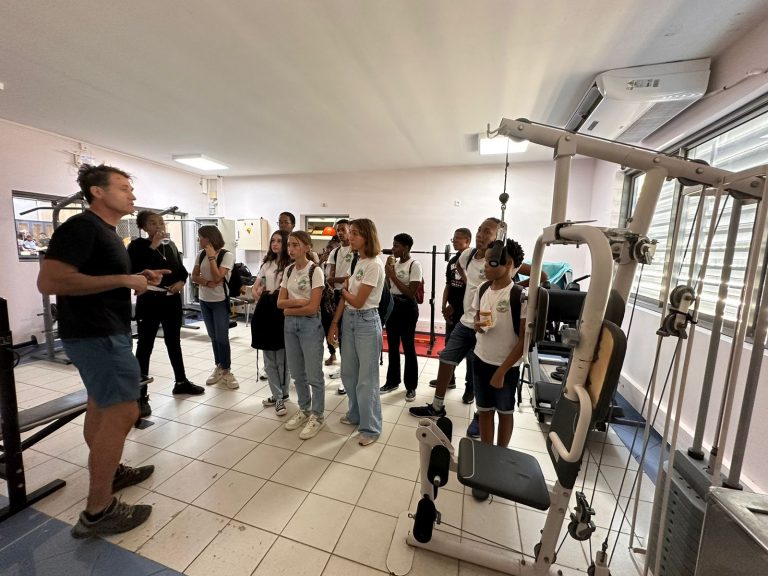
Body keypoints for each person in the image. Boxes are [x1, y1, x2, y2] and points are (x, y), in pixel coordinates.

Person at [37, 164, 163, 538]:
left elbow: (96, 277)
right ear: (97, 191)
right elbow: (49, 280)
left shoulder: (107, 233)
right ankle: (98, 510)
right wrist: (123, 278)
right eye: (123, 188)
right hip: (97, 334)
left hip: (104, 331)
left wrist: (138, 276)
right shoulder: (81, 227)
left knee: (101, 404)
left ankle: (112, 472)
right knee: (124, 410)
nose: (132, 195)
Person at [409, 217, 500, 418]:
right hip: (465, 321)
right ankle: (437, 407)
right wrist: (470, 283)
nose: (481, 235)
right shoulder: (468, 255)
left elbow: (540, 276)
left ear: (498, 236)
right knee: (446, 358)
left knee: (480, 369)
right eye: (480, 229)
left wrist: (511, 290)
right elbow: (458, 267)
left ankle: (480, 414)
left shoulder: (501, 259)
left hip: (486, 325)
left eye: (487, 232)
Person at [128, 211, 204, 419]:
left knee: (174, 342)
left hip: (171, 301)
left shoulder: (170, 245)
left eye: (160, 222)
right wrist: (153, 245)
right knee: (145, 346)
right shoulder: (137, 246)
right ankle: (140, 396)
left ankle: (181, 382)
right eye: (153, 223)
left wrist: (181, 282)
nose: (159, 225)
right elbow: (135, 269)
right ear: (144, 227)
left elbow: (181, 270)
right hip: (149, 300)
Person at [327, 218, 386, 446]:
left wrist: (343, 291)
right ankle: (355, 414)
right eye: (350, 232)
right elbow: (348, 297)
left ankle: (371, 428)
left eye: (355, 234)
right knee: (349, 373)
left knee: (366, 379)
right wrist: (335, 323)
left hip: (366, 322)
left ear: (367, 237)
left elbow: (358, 301)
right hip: (349, 320)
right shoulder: (358, 261)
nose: (350, 237)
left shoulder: (374, 264)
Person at [472, 238, 526, 447]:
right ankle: (487, 451)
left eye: (490, 262)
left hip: (506, 367)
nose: (485, 266)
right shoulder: (482, 289)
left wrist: (502, 371)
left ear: (508, 263)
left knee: (504, 412)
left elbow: (523, 340)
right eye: (485, 261)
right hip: (481, 360)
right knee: (484, 410)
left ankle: (501, 453)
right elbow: (478, 319)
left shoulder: (520, 296)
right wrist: (478, 325)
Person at [278, 231, 326, 439]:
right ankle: (304, 409)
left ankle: (318, 415)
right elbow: (280, 302)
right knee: (297, 373)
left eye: (295, 245)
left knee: (314, 374)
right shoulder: (288, 270)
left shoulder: (315, 271)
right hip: (290, 326)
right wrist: (298, 303)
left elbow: (313, 307)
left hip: (310, 325)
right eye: (289, 245)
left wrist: (289, 310)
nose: (291, 249)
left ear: (307, 247)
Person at [191, 225, 239, 389]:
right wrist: (206, 282)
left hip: (219, 300)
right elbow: (194, 276)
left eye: (200, 237)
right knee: (213, 336)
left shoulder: (227, 255)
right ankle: (219, 366)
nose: (199, 240)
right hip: (204, 300)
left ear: (209, 238)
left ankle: (226, 370)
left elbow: (218, 277)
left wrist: (212, 257)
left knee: (222, 337)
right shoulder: (200, 254)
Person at [251, 230, 292, 416]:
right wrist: (257, 292)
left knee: (282, 358)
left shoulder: (291, 265)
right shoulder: (266, 263)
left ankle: (283, 394)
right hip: (265, 309)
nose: (275, 244)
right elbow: (255, 287)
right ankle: (277, 395)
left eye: (279, 241)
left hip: (281, 311)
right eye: (273, 241)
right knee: (268, 358)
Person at [381, 233, 423, 401]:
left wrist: (393, 276)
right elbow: (388, 287)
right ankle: (392, 381)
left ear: (406, 248)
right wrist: (387, 274)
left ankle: (411, 386)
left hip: (407, 308)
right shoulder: (395, 264)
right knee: (392, 346)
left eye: (396, 246)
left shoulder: (414, 265)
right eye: (393, 245)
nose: (393, 249)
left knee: (408, 347)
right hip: (393, 307)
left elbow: (411, 293)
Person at [431, 227, 472, 390]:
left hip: (467, 312)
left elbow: (473, 289)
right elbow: (449, 285)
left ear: (467, 241)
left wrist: (454, 306)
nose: (454, 241)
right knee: (449, 346)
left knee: (471, 353)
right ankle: (449, 379)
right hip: (451, 312)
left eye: (458, 238)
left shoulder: (473, 261)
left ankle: (470, 389)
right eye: (453, 238)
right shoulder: (453, 261)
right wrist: (443, 306)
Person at [325, 219, 354, 393]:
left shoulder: (356, 251)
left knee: (348, 337)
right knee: (340, 335)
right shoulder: (335, 252)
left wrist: (337, 279)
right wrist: (337, 279)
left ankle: (347, 375)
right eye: (338, 230)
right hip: (337, 296)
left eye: (343, 229)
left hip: (351, 296)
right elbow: (331, 276)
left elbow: (351, 279)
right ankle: (344, 370)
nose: (340, 233)